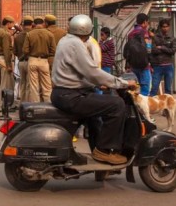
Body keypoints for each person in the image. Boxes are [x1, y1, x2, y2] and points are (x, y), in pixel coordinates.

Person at [51, 14, 137, 165]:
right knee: (117, 104)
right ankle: (104, 151)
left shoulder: (66, 40)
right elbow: (92, 71)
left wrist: (96, 84)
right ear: (88, 32)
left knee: (95, 117)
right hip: (71, 96)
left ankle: (97, 152)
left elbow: (77, 72)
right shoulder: (76, 44)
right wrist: (122, 83)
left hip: (64, 92)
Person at [23, 16, 56, 102]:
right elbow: (53, 50)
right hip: (44, 61)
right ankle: (48, 105)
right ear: (43, 23)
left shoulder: (29, 34)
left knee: (34, 86)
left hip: (32, 60)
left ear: (34, 24)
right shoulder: (49, 34)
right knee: (47, 86)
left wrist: (31, 54)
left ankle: (35, 107)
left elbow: (25, 50)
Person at [126, 13, 152, 95]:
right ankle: (142, 106)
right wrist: (150, 62)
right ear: (144, 22)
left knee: (136, 87)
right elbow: (148, 49)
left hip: (133, 65)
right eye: (147, 22)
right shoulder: (145, 33)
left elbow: (128, 50)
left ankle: (135, 106)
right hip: (144, 65)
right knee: (145, 88)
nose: (147, 24)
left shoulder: (130, 34)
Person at [150, 18, 176, 96]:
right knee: (154, 88)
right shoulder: (155, 37)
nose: (165, 28)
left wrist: (161, 47)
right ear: (161, 27)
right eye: (163, 27)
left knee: (168, 89)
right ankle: (152, 106)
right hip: (157, 65)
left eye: (166, 26)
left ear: (169, 27)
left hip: (168, 65)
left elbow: (172, 51)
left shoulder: (172, 38)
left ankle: (167, 107)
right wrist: (166, 49)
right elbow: (153, 50)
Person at [0, 16, 16, 109]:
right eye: (12, 23)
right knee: (6, 83)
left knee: (5, 82)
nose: (13, 25)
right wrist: (8, 65)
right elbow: (7, 50)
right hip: (5, 59)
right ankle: (4, 105)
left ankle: (7, 104)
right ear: (8, 23)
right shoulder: (5, 34)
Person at [13, 15, 34, 102]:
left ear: (23, 24)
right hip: (31, 61)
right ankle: (29, 104)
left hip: (21, 62)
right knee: (30, 84)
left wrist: (20, 56)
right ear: (32, 24)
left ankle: (22, 102)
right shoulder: (33, 34)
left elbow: (14, 51)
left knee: (22, 83)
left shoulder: (17, 36)